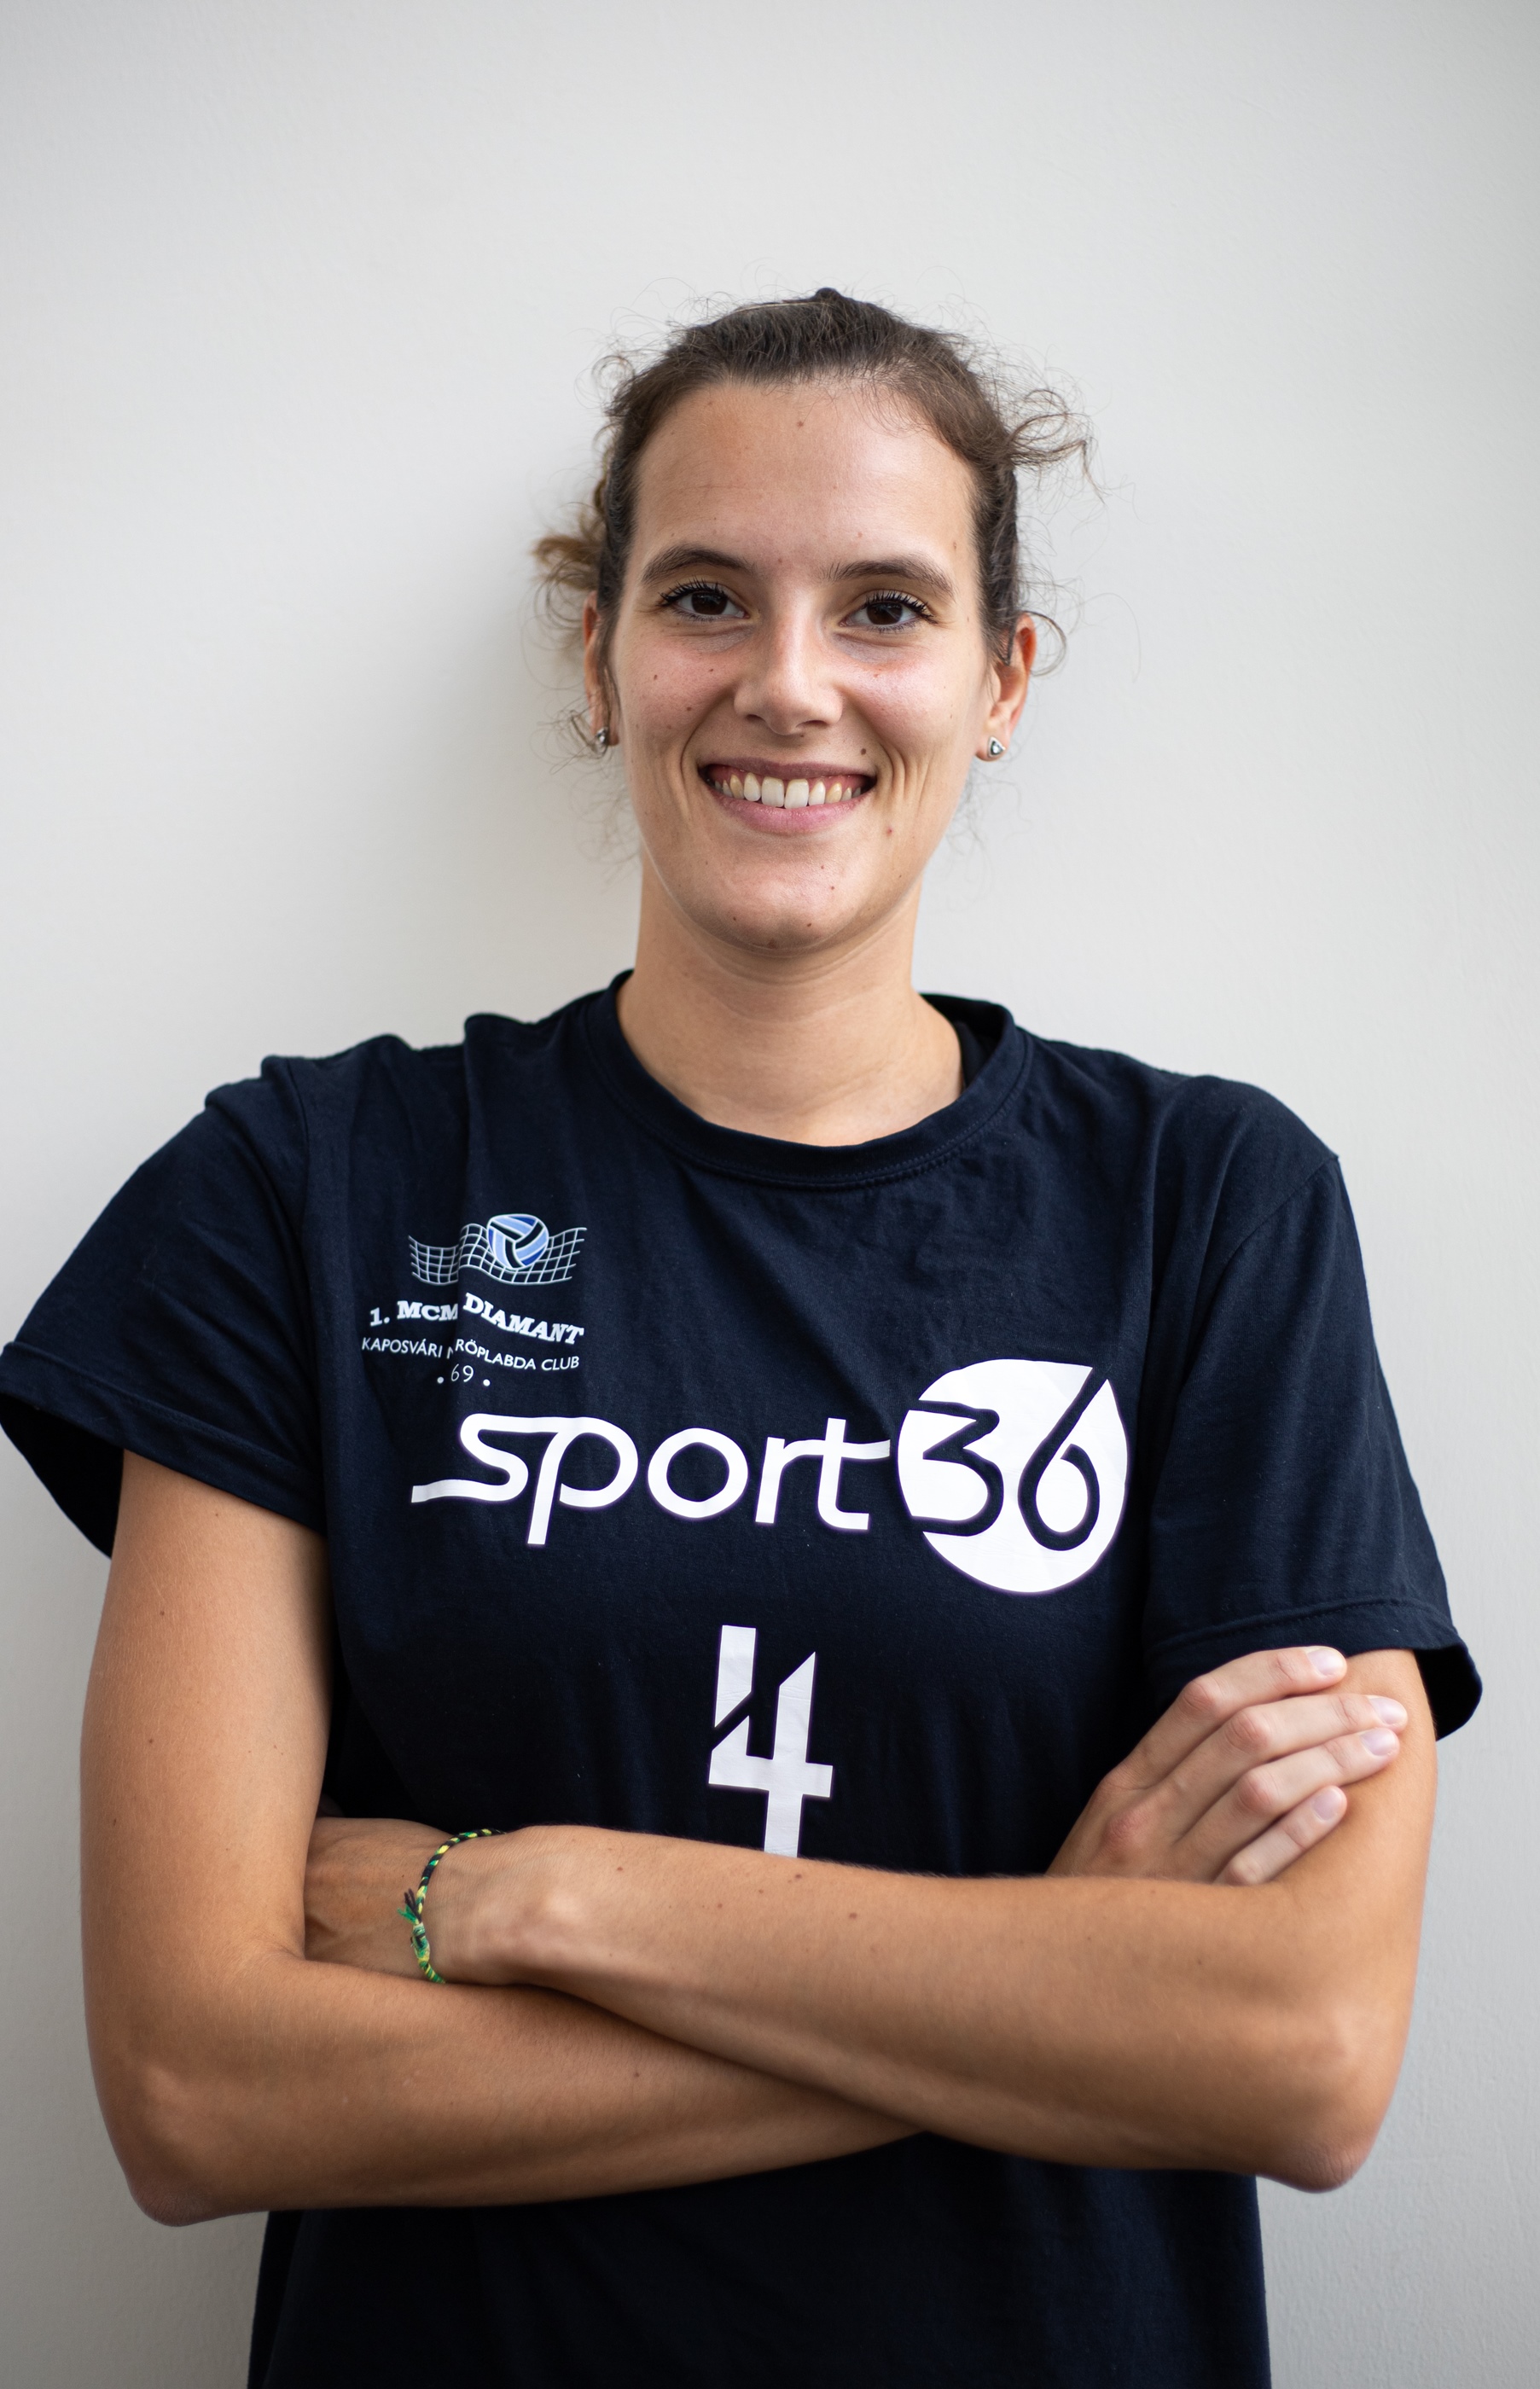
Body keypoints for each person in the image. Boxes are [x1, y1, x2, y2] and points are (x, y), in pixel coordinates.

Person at [0, 289, 1478, 2389]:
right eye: (705, 596)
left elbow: (1302, 2050)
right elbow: (194, 2085)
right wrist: (1052, 1973)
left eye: (886, 607)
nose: (791, 681)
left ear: (1001, 677)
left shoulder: (1213, 1205)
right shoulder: (303, 1188)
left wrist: (531, 1897)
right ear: (599, 656)